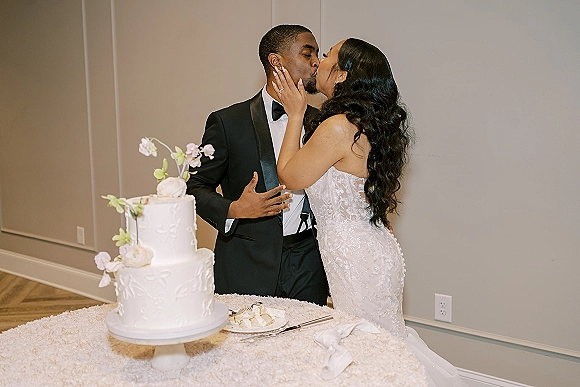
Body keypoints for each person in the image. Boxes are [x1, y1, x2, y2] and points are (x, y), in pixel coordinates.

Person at [274, 38, 467, 386]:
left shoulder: (337, 127)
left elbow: (290, 176)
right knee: (379, 344)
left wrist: (296, 113)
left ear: (343, 73)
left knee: (369, 351)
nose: (318, 61)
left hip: (356, 258)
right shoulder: (366, 124)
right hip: (371, 248)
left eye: (327, 55)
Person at [187, 25, 328, 306]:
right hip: (246, 264)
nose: (316, 63)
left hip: (309, 265)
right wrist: (234, 209)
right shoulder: (227, 122)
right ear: (276, 62)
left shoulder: (324, 123)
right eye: (307, 54)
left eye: (317, 55)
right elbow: (194, 187)